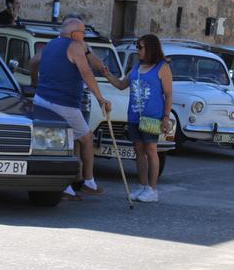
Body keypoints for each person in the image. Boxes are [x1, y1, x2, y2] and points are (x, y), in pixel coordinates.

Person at [29, 18, 112, 200]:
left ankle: (67, 186)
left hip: (42, 99)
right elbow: (86, 72)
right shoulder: (74, 47)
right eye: (83, 32)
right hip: (63, 103)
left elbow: (33, 62)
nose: (84, 36)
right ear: (75, 34)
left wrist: (34, 81)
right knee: (86, 138)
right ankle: (88, 182)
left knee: (60, 143)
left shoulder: (51, 45)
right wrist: (100, 98)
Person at [103, 34, 173, 203]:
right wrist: (107, 75)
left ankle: (152, 189)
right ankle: (142, 186)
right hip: (134, 116)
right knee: (139, 151)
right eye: (137, 47)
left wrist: (166, 117)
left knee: (151, 150)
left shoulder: (162, 67)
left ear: (150, 48)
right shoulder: (136, 67)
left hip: (152, 116)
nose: (137, 50)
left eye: (140, 47)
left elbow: (169, 94)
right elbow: (121, 85)